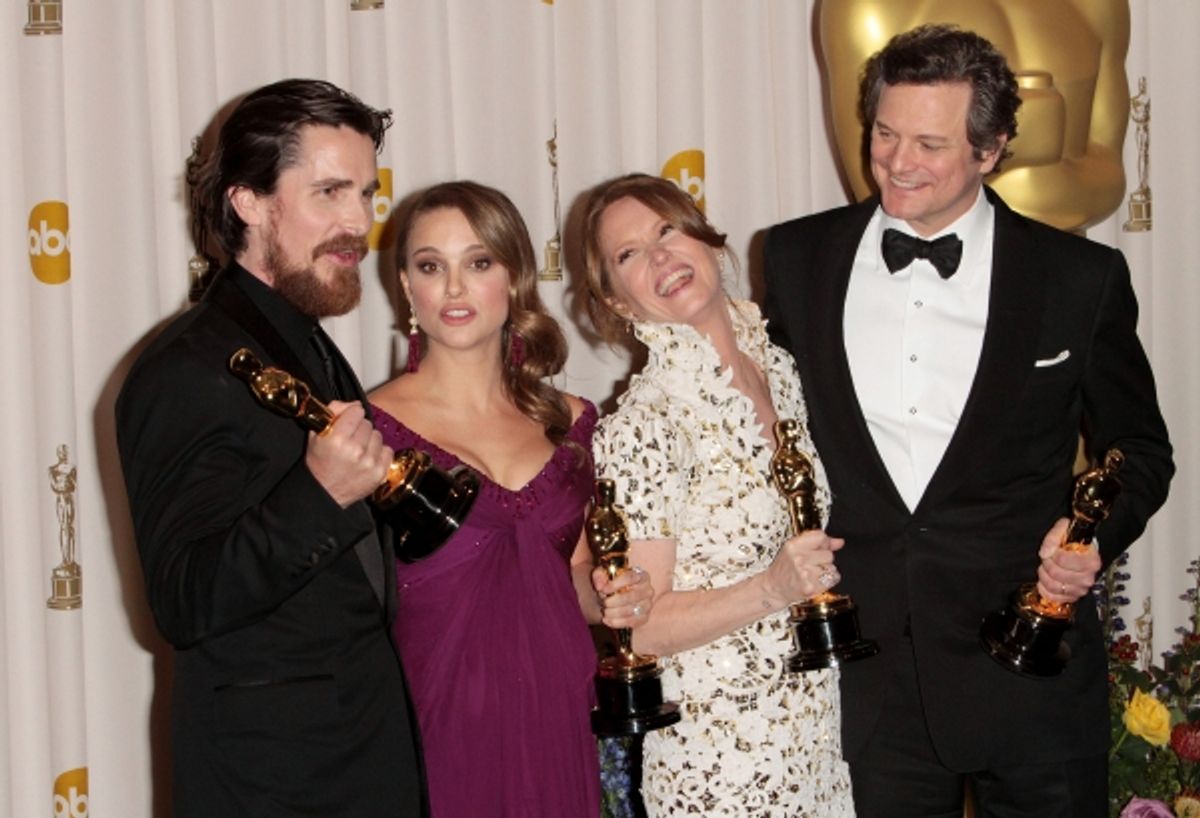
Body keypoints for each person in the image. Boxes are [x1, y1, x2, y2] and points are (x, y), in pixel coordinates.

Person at [762, 25, 1174, 817]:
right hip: (866, 675)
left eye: (929, 142)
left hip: (1030, 668)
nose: (897, 161)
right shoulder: (794, 257)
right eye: (884, 133)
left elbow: (1141, 448)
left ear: (992, 150)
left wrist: (1089, 541)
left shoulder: (1079, 277)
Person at [116, 79, 424, 817]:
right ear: (247, 202)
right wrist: (318, 496)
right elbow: (183, 601)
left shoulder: (305, 343)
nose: (360, 222)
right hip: (271, 785)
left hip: (363, 754)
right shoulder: (183, 368)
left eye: (367, 193)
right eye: (329, 193)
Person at [368, 180, 654, 818]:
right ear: (406, 288)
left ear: (516, 277)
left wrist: (611, 593)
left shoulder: (571, 419)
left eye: (478, 262)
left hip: (556, 709)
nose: (454, 287)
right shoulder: (366, 430)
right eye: (430, 266)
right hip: (433, 722)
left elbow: (575, 574)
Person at [581, 172, 855, 817]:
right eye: (628, 255)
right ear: (619, 302)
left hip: (815, 732)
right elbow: (640, 630)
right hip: (722, 758)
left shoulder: (778, 370)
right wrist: (771, 589)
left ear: (704, 240)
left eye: (666, 230)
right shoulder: (645, 422)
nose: (660, 258)